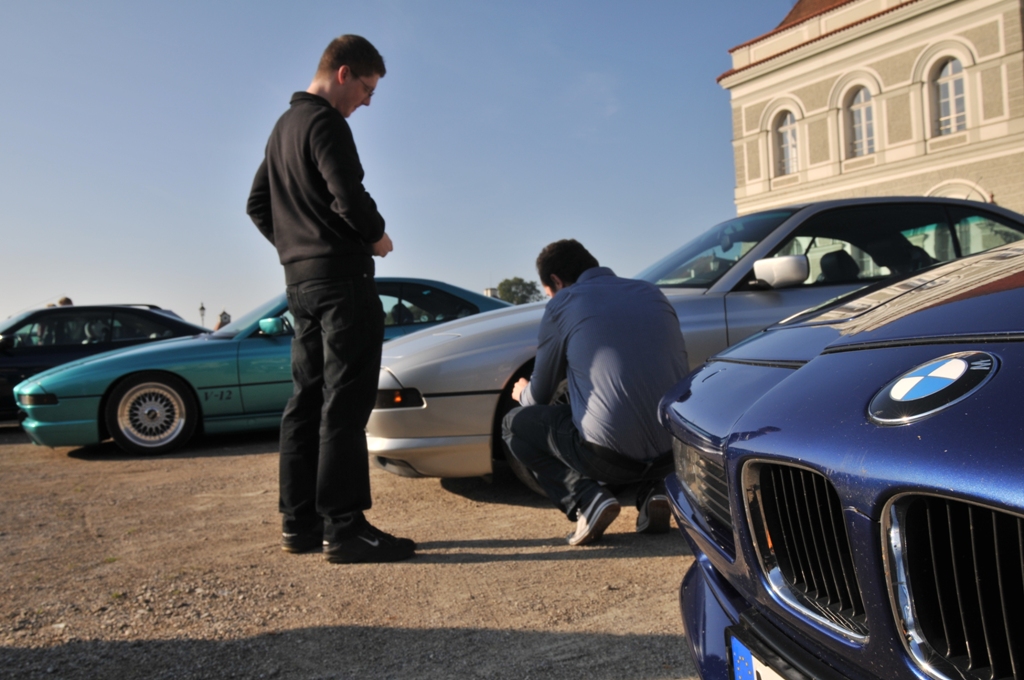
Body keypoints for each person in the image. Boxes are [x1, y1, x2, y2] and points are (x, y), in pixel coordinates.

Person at [246, 34, 414, 564]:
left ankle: (300, 523)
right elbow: (347, 194)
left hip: (300, 285)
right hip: (342, 282)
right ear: (343, 73)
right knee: (344, 402)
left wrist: (297, 249)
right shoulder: (326, 123)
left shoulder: (282, 128)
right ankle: (345, 528)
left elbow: (257, 205)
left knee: (306, 400)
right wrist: (375, 236)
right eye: (366, 88)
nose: (367, 101)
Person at [502, 240, 689, 546]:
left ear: (556, 281)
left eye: (548, 292)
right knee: (638, 396)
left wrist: (522, 392)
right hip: (672, 451)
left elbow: (539, 397)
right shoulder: (651, 292)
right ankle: (656, 490)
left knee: (513, 424)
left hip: (609, 459)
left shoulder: (563, 303)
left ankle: (586, 498)